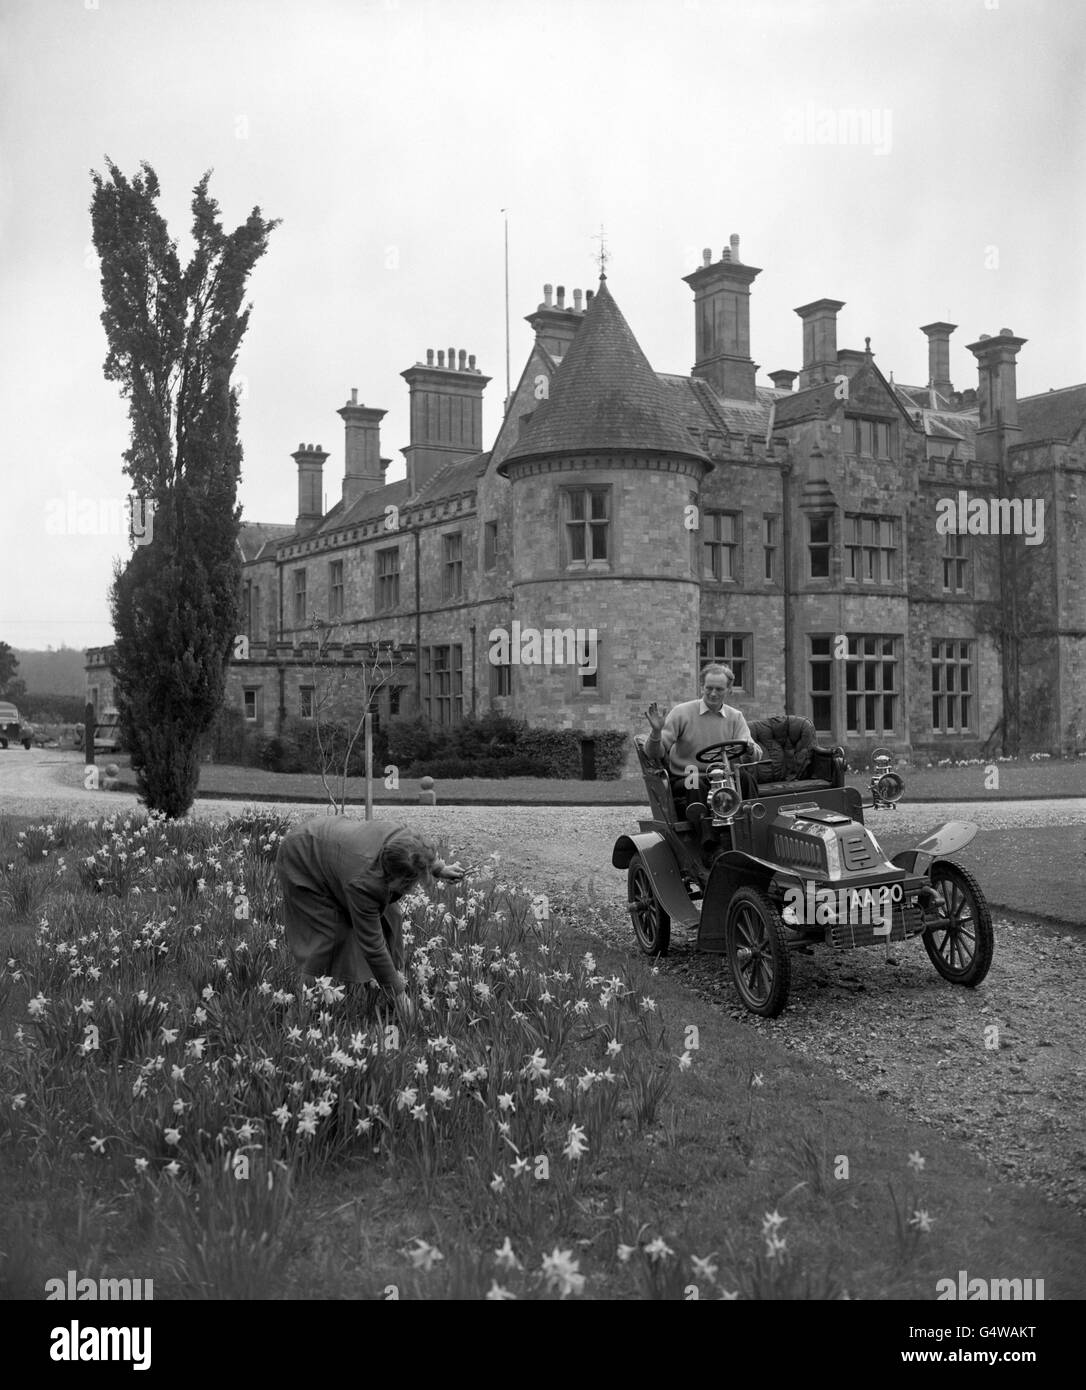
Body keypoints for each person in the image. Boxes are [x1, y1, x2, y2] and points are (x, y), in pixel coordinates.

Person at [276, 816, 464, 1020]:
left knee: (392, 917)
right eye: (407, 884)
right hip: (302, 859)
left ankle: (386, 991)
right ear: (389, 874)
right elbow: (372, 946)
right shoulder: (362, 883)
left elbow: (418, 854)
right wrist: (401, 999)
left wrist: (438, 869)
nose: (411, 889)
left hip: (332, 846)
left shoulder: (404, 840)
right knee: (330, 936)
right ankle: (300, 1013)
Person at [644, 663, 763, 811]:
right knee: (695, 784)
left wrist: (750, 750)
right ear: (702, 687)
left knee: (746, 779)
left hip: (723, 776)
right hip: (687, 775)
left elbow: (755, 754)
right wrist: (656, 732)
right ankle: (705, 833)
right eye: (709, 688)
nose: (713, 693)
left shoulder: (735, 717)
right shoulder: (681, 712)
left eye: (719, 689)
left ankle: (751, 822)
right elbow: (654, 753)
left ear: (729, 690)